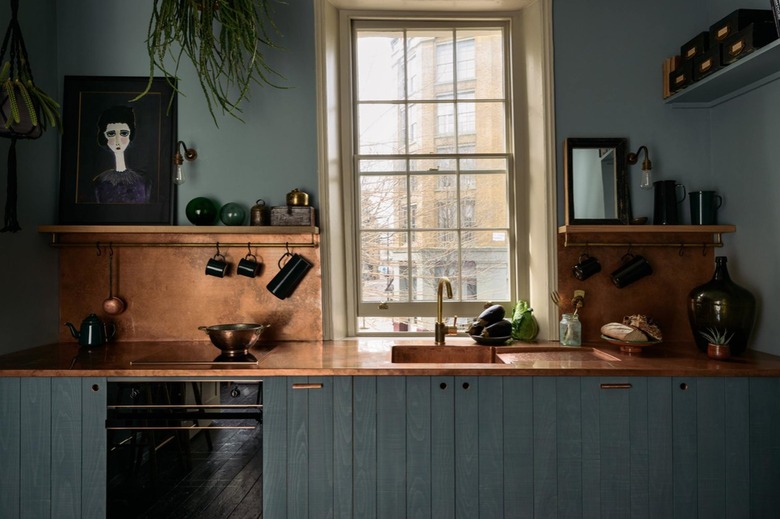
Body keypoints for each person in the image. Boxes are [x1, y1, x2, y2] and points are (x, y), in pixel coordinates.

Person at [92, 105, 151, 203]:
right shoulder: (99, 182)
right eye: (111, 134)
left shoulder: (143, 181)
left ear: (130, 135)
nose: (117, 141)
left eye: (124, 133)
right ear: (104, 136)